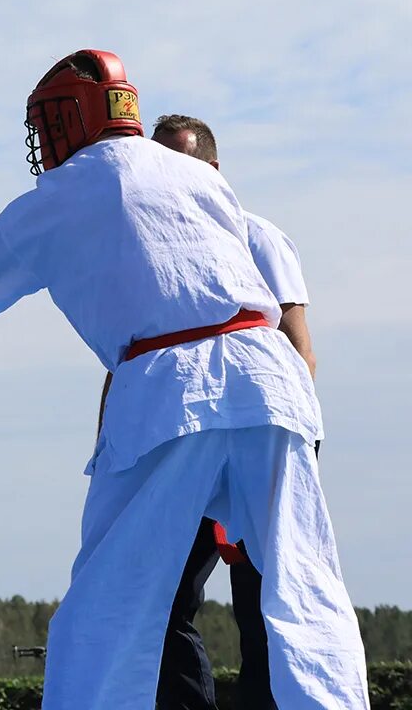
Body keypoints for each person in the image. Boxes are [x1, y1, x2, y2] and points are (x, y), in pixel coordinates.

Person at [0, 51, 369, 708]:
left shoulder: (68, 190)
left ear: (65, 119)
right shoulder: (200, 179)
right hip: (272, 384)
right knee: (308, 594)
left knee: (109, 613)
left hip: (171, 392)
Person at [149, 114, 315, 710]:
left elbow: (299, 351)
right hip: (182, 433)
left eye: (177, 163)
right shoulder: (154, 249)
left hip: (257, 432)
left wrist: (291, 451)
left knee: (264, 597)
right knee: (162, 597)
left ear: (213, 171)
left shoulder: (257, 237)